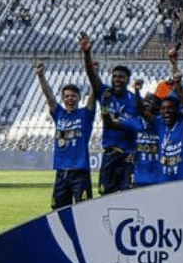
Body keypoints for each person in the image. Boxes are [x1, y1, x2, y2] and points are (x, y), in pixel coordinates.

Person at [81, 33, 138, 195]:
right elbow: (91, 76)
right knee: (105, 197)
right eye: (114, 77)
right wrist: (86, 54)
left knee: (128, 196)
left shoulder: (134, 101)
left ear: (127, 80)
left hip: (127, 157)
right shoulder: (105, 93)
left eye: (121, 77)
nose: (117, 80)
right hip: (109, 156)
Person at [35, 61, 97, 209]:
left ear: (79, 98)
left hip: (80, 173)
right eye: (67, 96)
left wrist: (94, 74)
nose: (70, 99)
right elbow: (48, 95)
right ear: (63, 98)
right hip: (62, 173)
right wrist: (41, 76)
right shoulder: (59, 114)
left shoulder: (85, 115)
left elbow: (95, 94)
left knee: (84, 209)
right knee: (58, 211)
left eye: (74, 96)